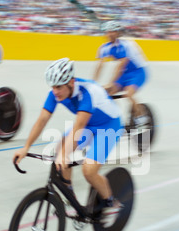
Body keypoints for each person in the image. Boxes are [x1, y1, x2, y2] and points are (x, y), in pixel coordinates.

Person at [13, 58, 123, 221]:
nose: (55, 91)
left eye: (58, 87)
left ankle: (111, 202)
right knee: (59, 151)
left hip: (109, 126)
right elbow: (42, 120)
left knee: (89, 170)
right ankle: (70, 197)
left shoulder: (88, 93)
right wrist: (26, 147)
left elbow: (79, 126)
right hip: (89, 124)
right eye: (52, 87)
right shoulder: (55, 93)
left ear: (71, 82)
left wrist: (65, 154)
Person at [93, 20, 149, 126]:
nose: (110, 34)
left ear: (118, 33)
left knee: (128, 93)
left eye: (112, 32)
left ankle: (141, 117)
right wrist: (93, 82)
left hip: (138, 72)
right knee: (107, 93)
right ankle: (115, 117)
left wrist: (111, 82)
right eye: (107, 32)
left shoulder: (125, 45)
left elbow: (120, 66)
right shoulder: (104, 48)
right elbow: (100, 65)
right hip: (125, 73)